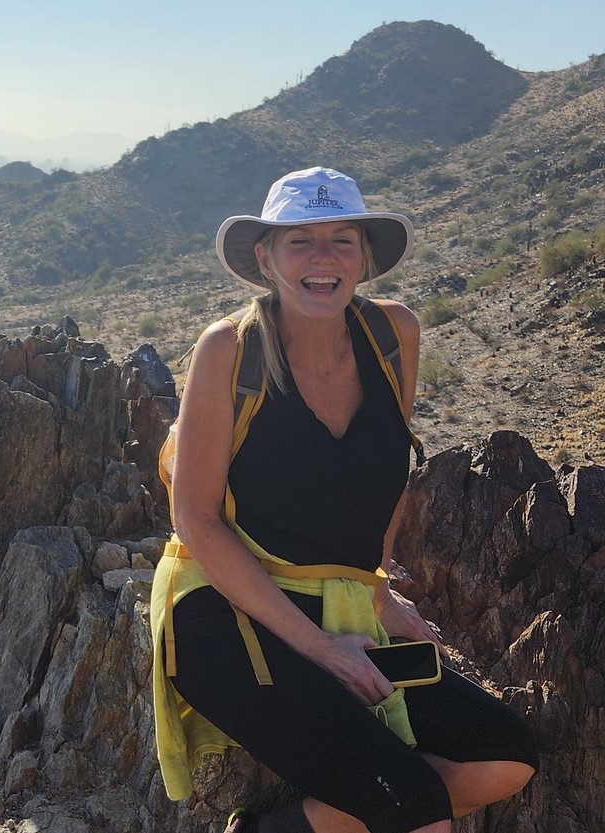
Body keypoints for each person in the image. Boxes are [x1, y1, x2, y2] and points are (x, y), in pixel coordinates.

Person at [149, 167, 538, 833]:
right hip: (228, 611)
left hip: (343, 602)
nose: (322, 257)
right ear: (266, 260)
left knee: (506, 756)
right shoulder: (229, 351)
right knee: (415, 807)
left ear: (365, 260)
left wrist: (380, 589)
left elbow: (383, 474)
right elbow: (199, 522)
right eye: (300, 240)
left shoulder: (393, 338)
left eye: (342, 239)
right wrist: (325, 651)